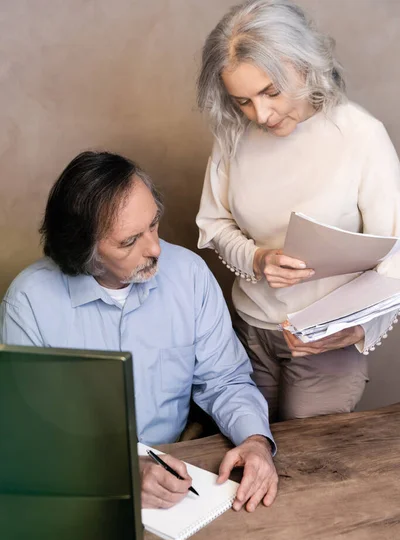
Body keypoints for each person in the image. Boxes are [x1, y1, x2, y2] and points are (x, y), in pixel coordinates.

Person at [0, 150, 278, 511]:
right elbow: (31, 434)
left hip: (181, 476)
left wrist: (256, 441)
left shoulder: (189, 275)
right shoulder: (29, 303)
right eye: (129, 241)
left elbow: (226, 381)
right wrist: (122, 473)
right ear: (82, 250)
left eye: (154, 224)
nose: (155, 248)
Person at [196, 0, 400, 423]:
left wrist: (363, 329)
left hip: (325, 342)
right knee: (246, 456)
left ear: (306, 66)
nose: (261, 114)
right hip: (247, 336)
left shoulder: (361, 136)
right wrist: (258, 259)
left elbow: (396, 257)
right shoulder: (235, 135)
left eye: (270, 92)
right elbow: (214, 222)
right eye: (243, 100)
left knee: (304, 471)